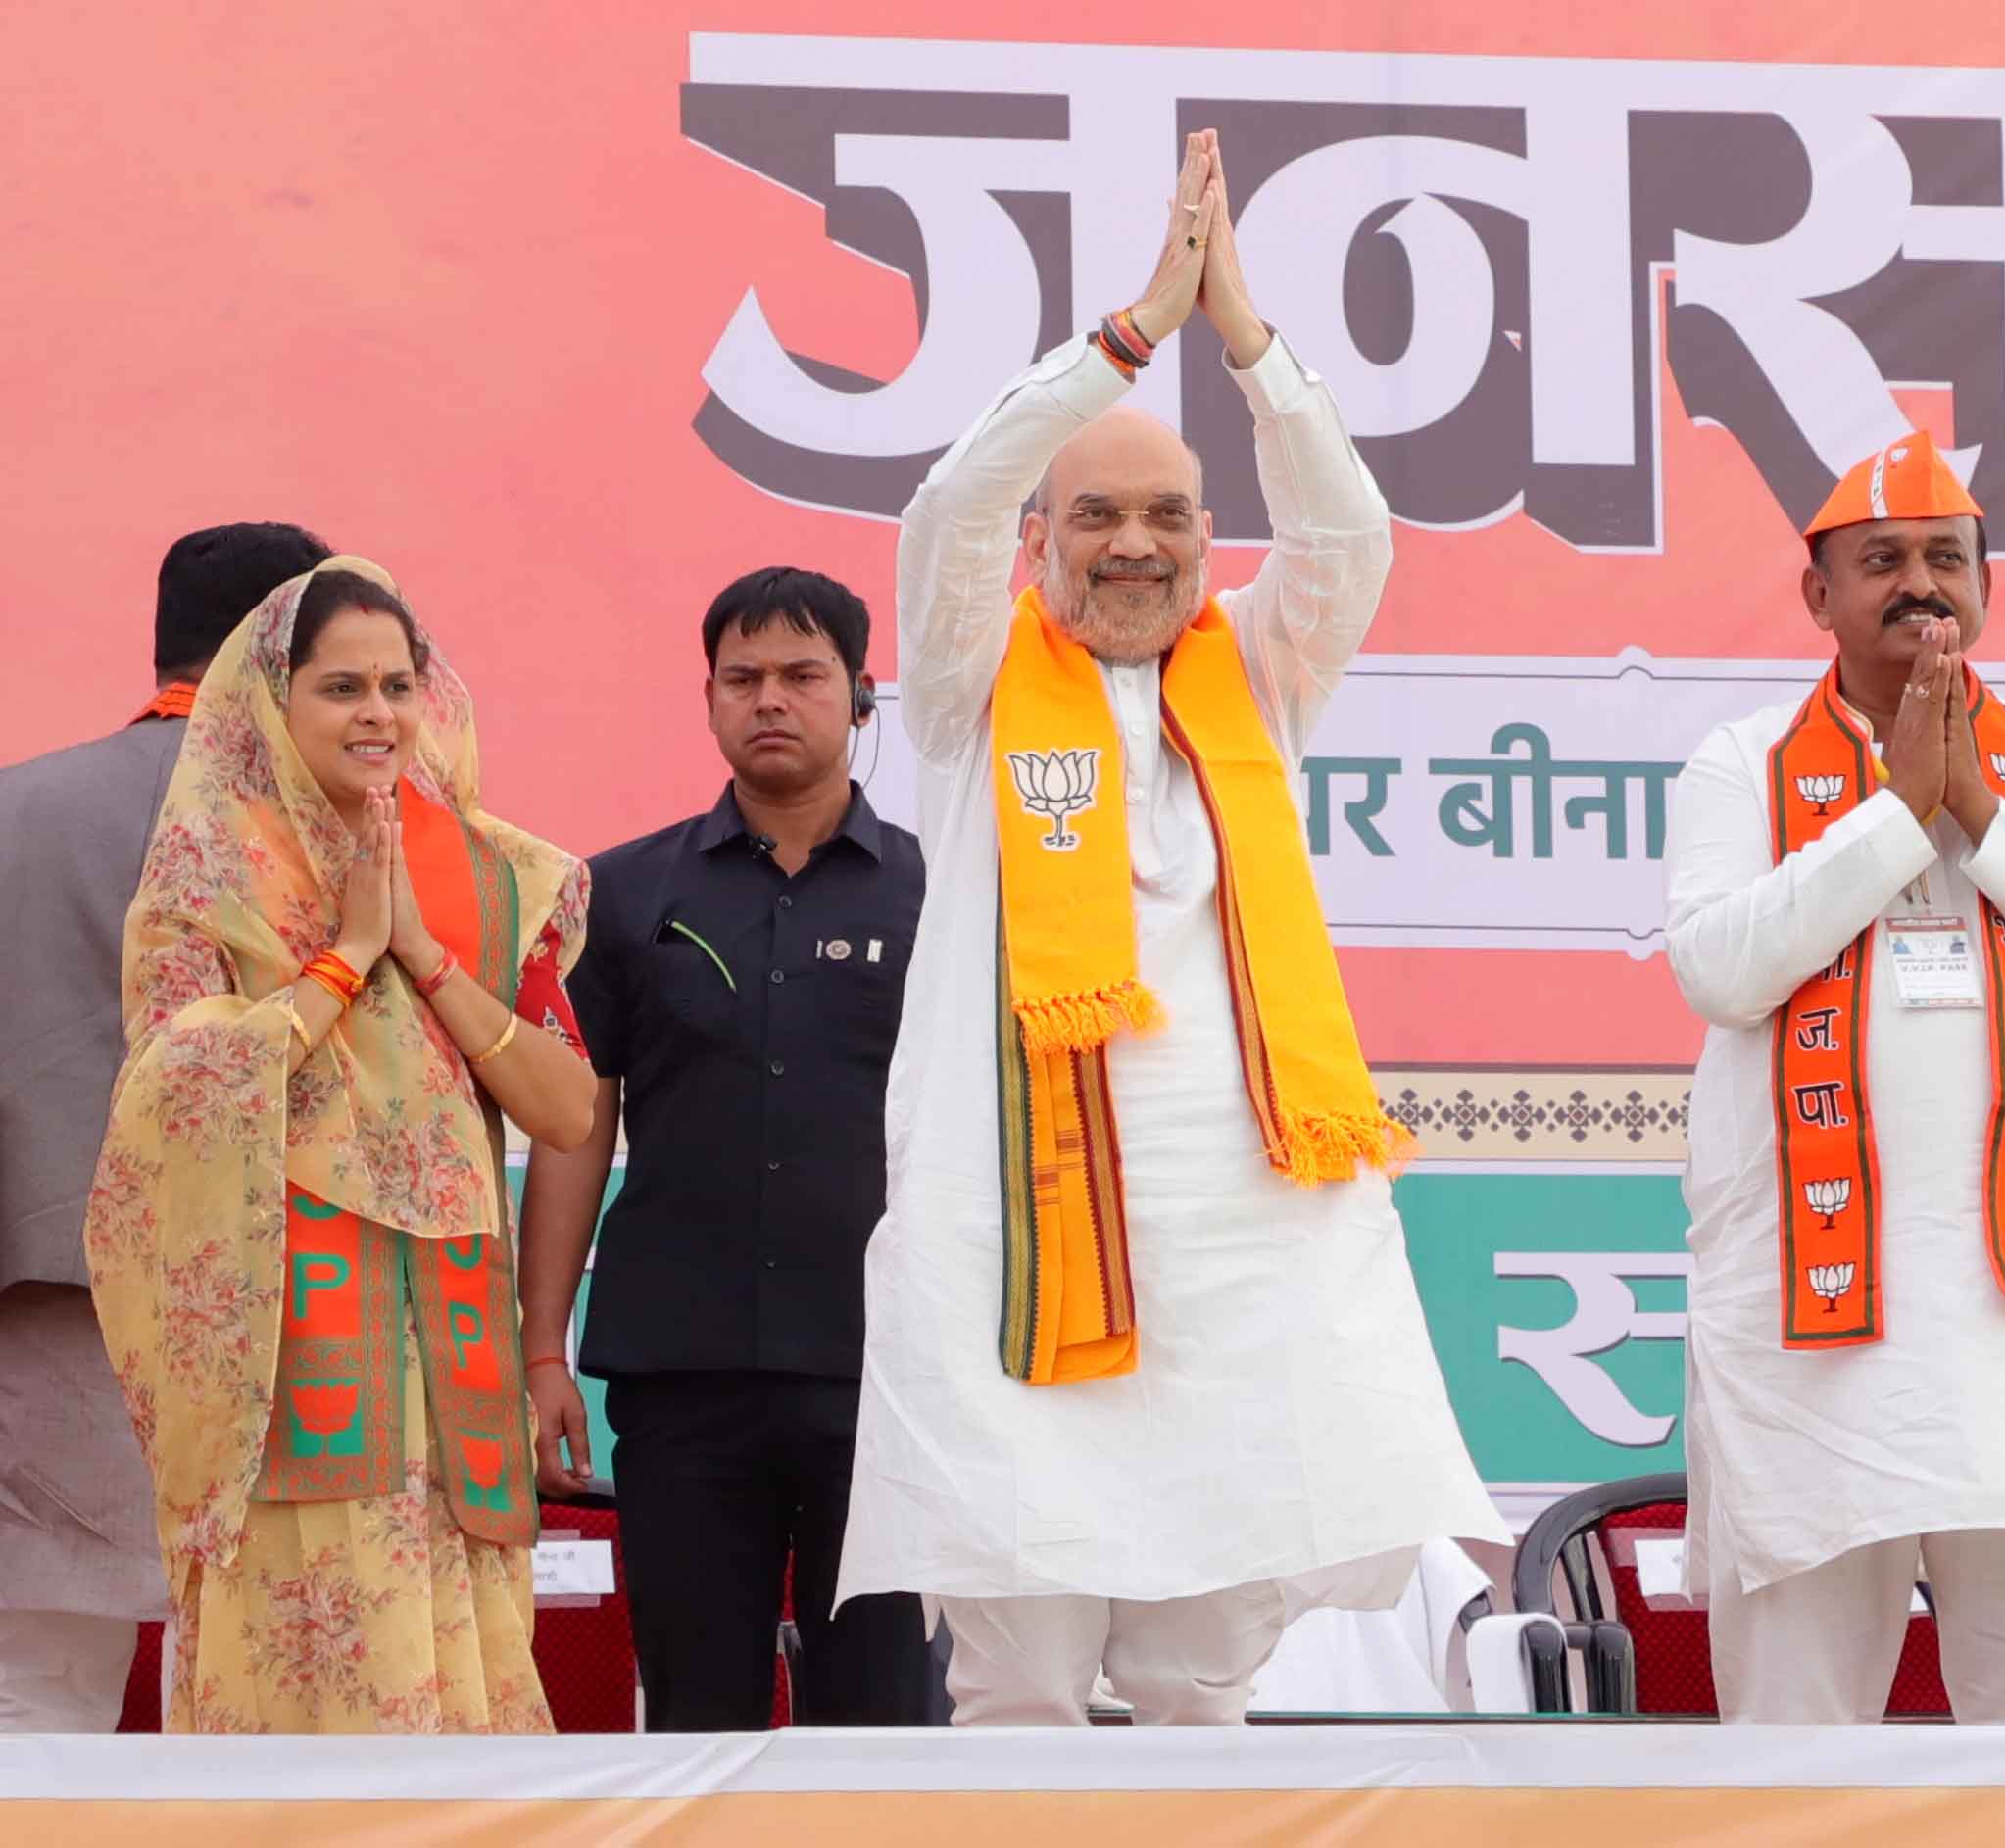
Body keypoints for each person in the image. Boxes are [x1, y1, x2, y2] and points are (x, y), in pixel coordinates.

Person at [836, 128, 1508, 1726]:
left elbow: (1347, 538)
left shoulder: (1259, 677)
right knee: (1016, 1678)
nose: (1132, 545)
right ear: (1041, 542)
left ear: (1210, 540)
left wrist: (1252, 344)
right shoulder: (966, 692)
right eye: (1095, 517)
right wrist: (1133, 330)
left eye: (1167, 517)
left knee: (1202, 1676)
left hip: (1236, 1249)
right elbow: (950, 493)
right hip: (1013, 1242)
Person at [1664, 433, 2005, 1724]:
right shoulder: (1738, 765)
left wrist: (1984, 816)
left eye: (1944, 559)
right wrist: (1894, 813)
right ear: (1818, 596)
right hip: (1811, 1338)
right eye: (1882, 561)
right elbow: (1721, 969)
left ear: (1985, 584)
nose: (1920, 586)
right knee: (1797, 1759)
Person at [82, 557, 597, 1733]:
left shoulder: (486, 865)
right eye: (341, 687)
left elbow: (566, 1110)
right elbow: (174, 1098)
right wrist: (341, 957)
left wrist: (421, 948)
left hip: (454, 1340)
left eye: (398, 684)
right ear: (272, 699)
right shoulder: (209, 871)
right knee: (308, 1677)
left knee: (462, 1690)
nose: (379, 714)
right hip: (292, 1346)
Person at [519, 566, 936, 1730]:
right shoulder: (622, 890)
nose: (770, 699)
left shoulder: (940, 892)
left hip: (889, 1378)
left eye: (803, 675)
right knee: (699, 1721)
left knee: (886, 1725)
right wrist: (541, 1352)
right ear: (706, 699)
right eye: (741, 677)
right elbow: (569, 1131)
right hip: (682, 1380)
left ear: (860, 698)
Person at [0, 521, 330, 1733]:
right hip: (293, 1319)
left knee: (31, 1697)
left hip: (52, 1312)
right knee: (281, 1708)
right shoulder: (340, 827)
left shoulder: (13, 811)